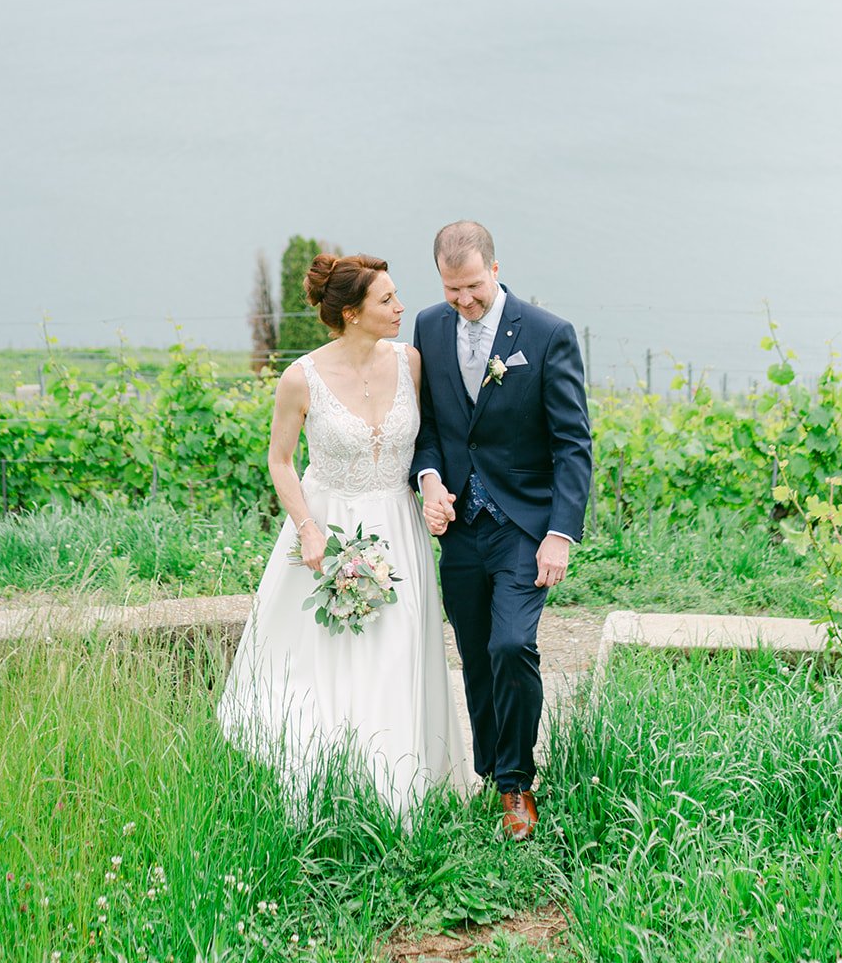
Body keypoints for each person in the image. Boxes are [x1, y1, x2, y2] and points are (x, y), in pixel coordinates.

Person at [217, 252, 471, 816]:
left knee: (397, 653)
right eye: (387, 300)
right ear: (352, 313)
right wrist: (307, 528)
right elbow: (281, 461)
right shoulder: (300, 377)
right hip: (328, 532)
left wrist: (433, 488)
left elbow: (432, 441)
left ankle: (402, 794)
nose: (401, 306)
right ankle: (331, 786)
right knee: (328, 661)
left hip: (399, 529)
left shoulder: (412, 363)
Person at [413, 221, 592, 839]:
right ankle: (491, 772)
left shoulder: (546, 335)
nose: (462, 302)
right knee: (473, 653)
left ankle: (518, 786)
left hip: (524, 522)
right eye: (450, 289)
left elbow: (573, 444)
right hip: (461, 525)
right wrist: (431, 480)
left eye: (471, 288)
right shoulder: (429, 330)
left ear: (494, 268)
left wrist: (560, 534)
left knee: (511, 646)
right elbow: (430, 425)